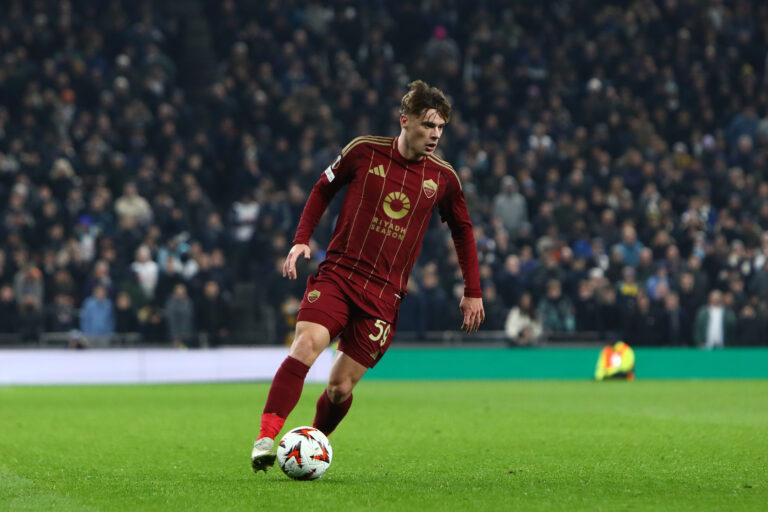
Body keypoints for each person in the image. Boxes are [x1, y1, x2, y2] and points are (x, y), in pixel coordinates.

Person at [250, 80, 485, 472]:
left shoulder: (443, 178)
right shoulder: (364, 151)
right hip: (339, 276)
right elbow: (322, 189)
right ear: (404, 120)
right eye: (428, 125)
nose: (435, 135)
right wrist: (301, 239)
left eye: (441, 128)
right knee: (306, 346)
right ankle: (266, 437)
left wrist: (473, 290)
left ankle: (307, 444)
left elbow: (463, 230)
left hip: (384, 295)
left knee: (340, 388)